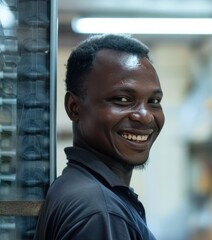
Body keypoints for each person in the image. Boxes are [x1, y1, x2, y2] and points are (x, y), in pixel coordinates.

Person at [33, 34, 164, 240]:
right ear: (74, 107)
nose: (145, 116)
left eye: (154, 101)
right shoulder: (100, 211)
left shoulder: (78, 188)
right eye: (122, 99)